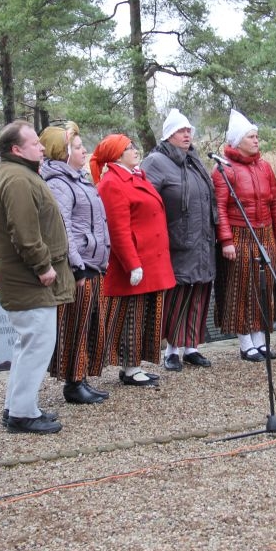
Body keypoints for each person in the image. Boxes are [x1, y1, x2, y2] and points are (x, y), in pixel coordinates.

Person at [0, 120, 75, 434]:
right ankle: (22, 414)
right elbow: (24, 233)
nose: (41, 147)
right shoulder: (17, 179)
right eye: (34, 143)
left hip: (25, 278)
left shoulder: (19, 173)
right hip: (28, 278)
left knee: (28, 344)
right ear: (16, 149)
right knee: (38, 343)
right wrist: (43, 267)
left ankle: (18, 407)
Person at [90, 134, 176, 387]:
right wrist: (132, 263)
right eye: (129, 148)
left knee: (143, 315)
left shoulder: (135, 176)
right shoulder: (112, 183)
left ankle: (134, 365)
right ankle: (130, 369)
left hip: (151, 260)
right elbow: (118, 229)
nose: (135, 150)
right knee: (132, 317)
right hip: (136, 263)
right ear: (117, 155)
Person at [39, 122, 112, 404]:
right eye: (78, 148)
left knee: (89, 322)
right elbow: (63, 226)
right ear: (63, 152)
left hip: (93, 263)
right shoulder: (58, 183)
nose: (85, 152)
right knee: (76, 323)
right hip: (79, 266)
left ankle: (81, 377)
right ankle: (73, 383)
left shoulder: (79, 179)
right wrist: (77, 263)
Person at [141, 108, 217, 372]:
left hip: (202, 238)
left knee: (199, 291)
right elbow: (145, 203)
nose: (187, 135)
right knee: (178, 294)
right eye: (181, 131)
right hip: (175, 240)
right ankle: (171, 351)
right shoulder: (155, 162)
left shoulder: (193, 160)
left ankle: (191, 347)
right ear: (168, 135)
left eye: (188, 131)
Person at [212, 109, 276, 362]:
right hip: (239, 234)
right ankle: (245, 343)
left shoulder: (264, 167)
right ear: (237, 141)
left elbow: (274, 202)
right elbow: (219, 208)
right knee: (242, 287)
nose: (256, 140)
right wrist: (227, 240)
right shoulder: (225, 169)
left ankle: (260, 339)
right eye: (251, 136)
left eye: (257, 136)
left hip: (264, 233)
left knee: (262, 288)